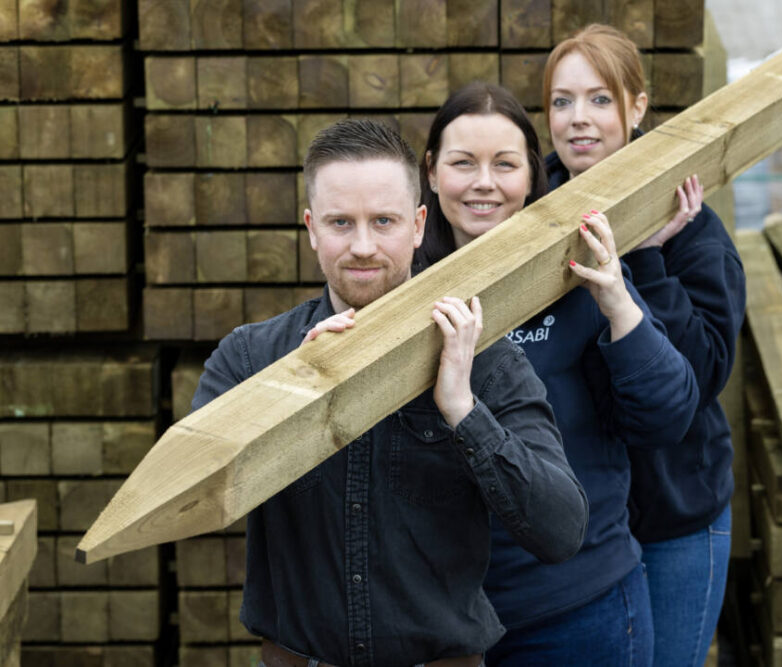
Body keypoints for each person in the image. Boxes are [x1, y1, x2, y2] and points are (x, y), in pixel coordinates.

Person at [190, 119, 588, 667]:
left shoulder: (484, 359)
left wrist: (463, 411)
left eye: (384, 221)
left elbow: (561, 530)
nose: (362, 246)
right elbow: (189, 501)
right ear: (310, 227)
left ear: (419, 224)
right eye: (339, 222)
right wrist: (295, 391)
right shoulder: (252, 357)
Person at [414, 82, 700, 666]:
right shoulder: (405, 287)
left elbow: (667, 415)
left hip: (578, 609)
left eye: (505, 164)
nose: (484, 183)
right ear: (432, 172)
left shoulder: (577, 272)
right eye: (463, 163)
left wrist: (620, 302)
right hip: (442, 622)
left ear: (531, 177)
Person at [543, 24, 747, 667]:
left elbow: (704, 373)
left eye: (600, 100)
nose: (579, 120)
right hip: (574, 534)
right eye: (562, 101)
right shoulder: (527, 216)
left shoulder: (694, 233)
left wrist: (648, 259)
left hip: (673, 520)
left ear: (637, 108)